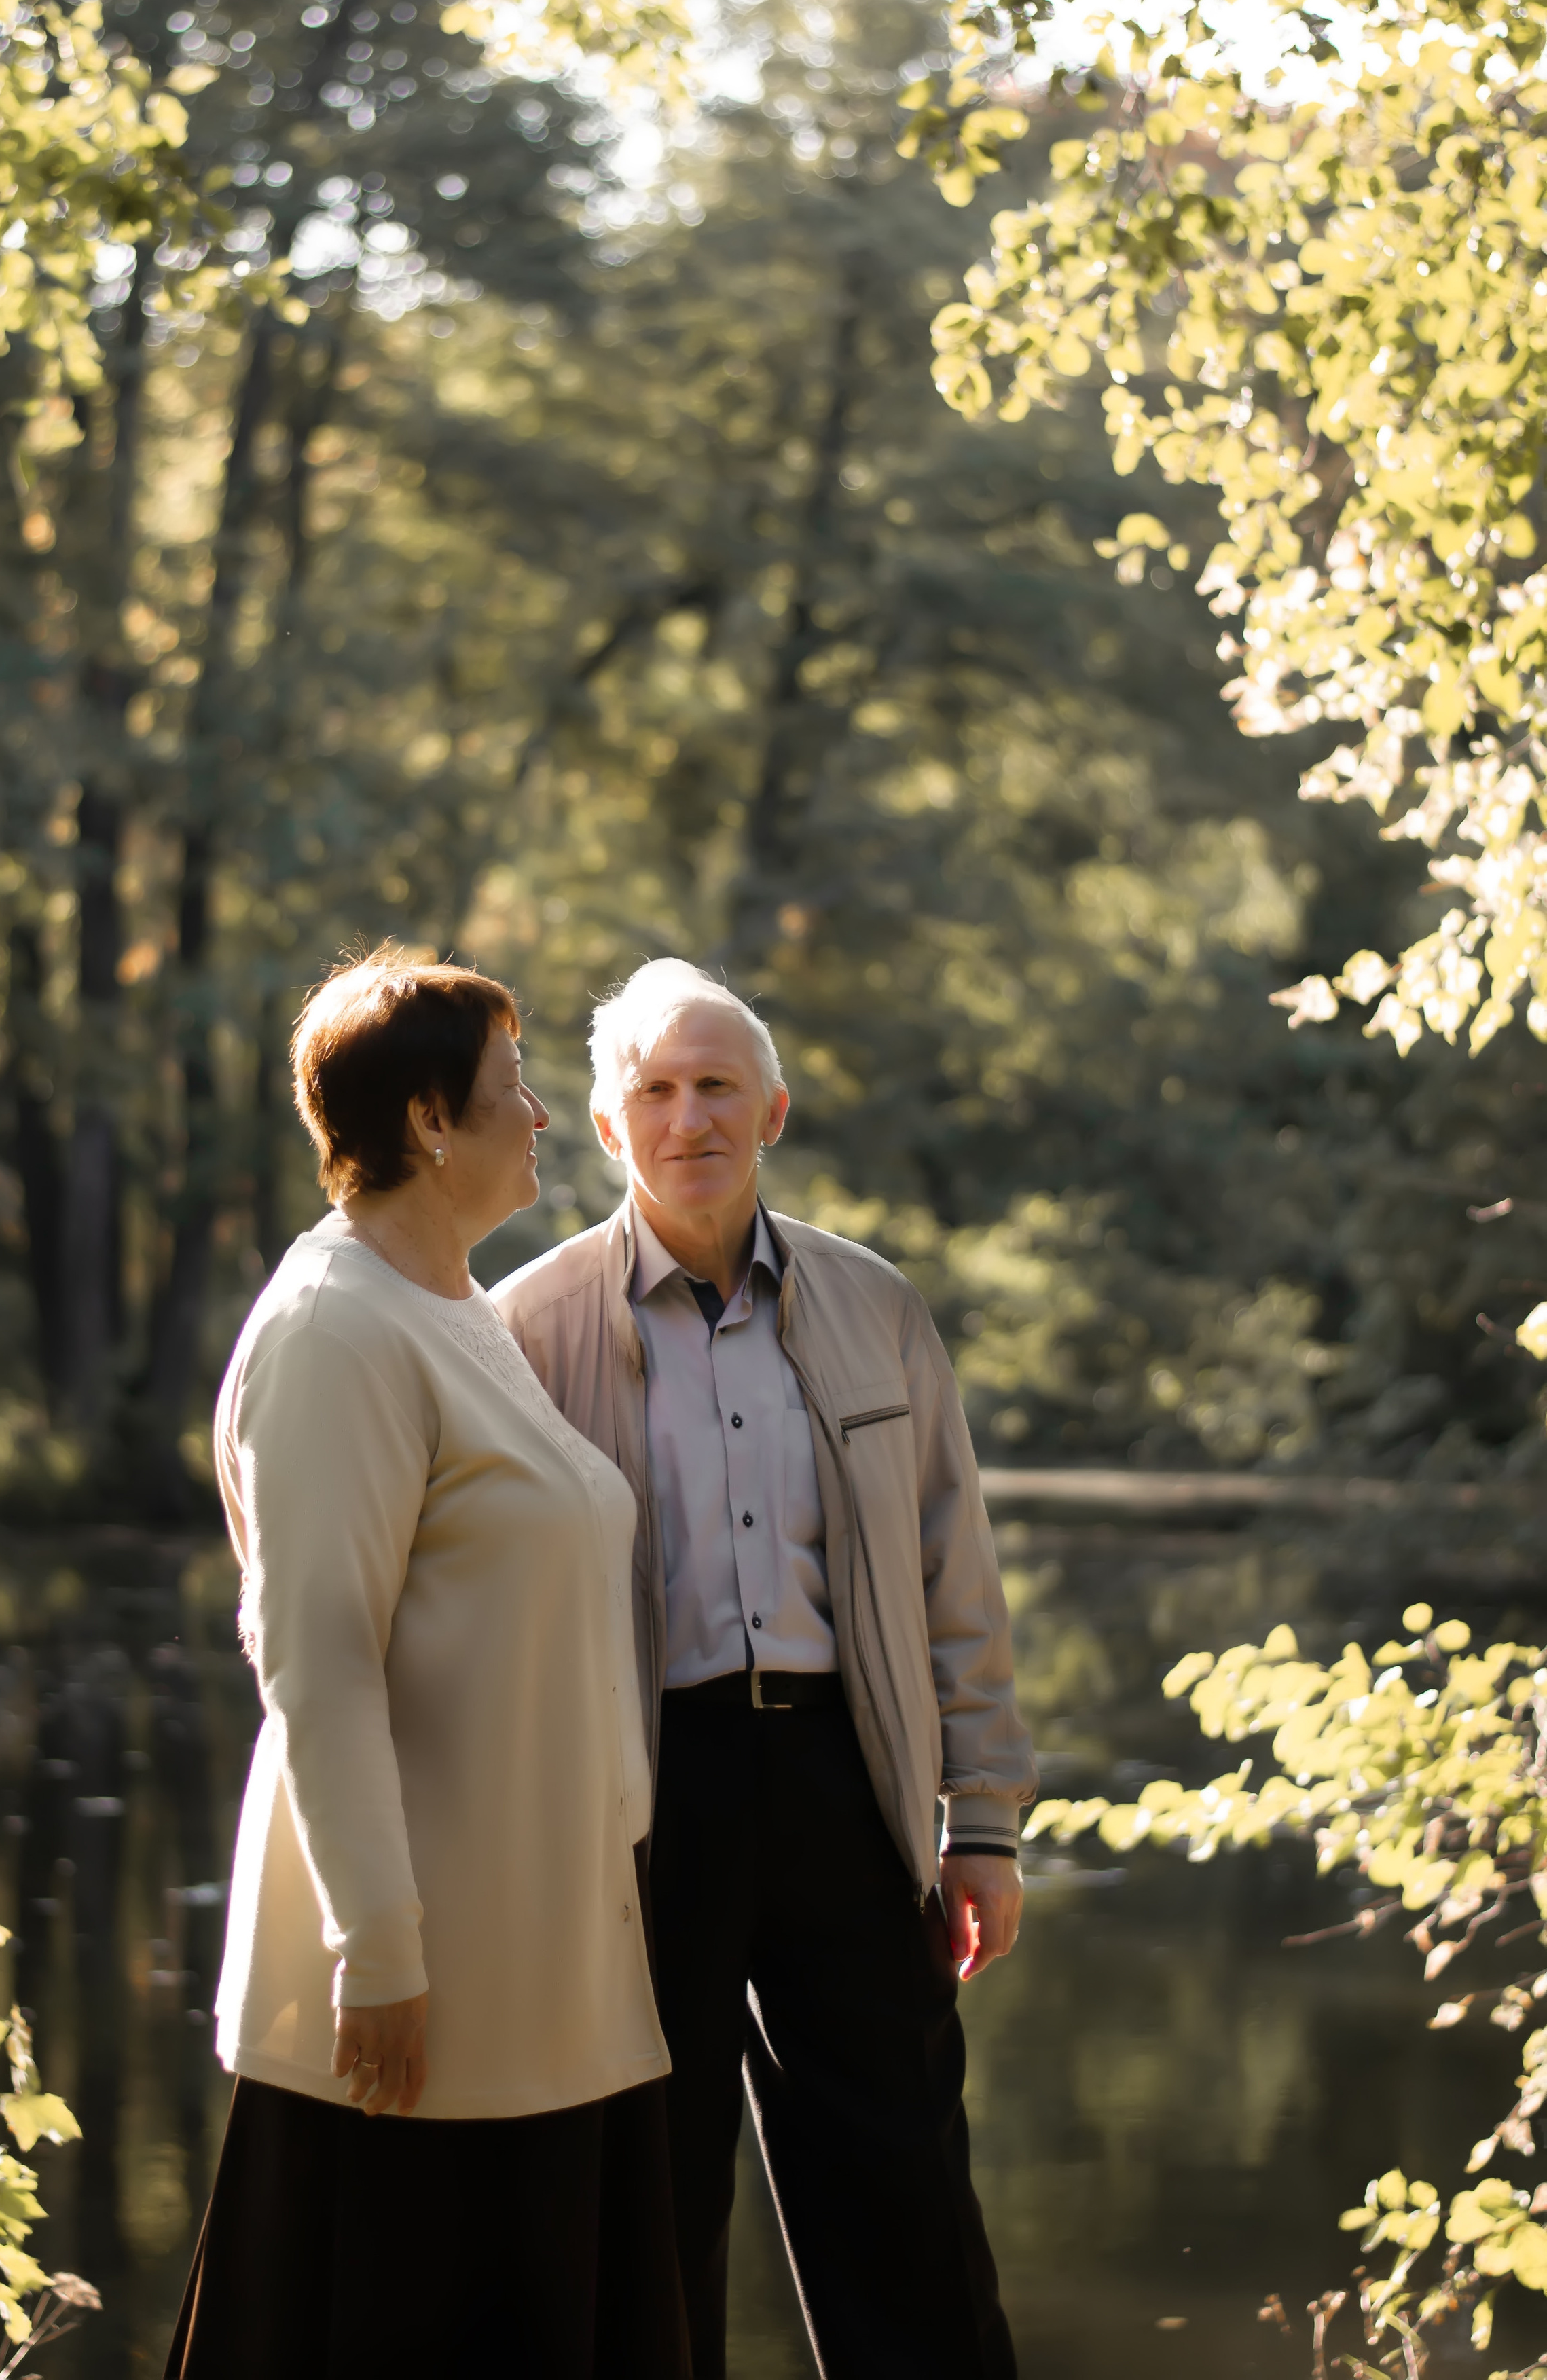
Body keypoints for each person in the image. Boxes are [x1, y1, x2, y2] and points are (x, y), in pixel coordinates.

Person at [493, 957, 1036, 2380]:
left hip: (841, 1782)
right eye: (654, 1092)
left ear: (773, 1108)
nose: (688, 1119)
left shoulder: (876, 1310)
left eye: (715, 1085)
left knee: (902, 2192)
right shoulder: (523, 1333)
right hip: (636, 1805)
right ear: (608, 1129)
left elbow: (951, 1580)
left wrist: (977, 1823)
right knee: (645, 2198)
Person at [166, 946, 689, 2380]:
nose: (540, 1118)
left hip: (549, 1966)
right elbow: (316, 1660)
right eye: (512, 1092)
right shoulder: (334, 1327)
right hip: (425, 1995)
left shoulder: (455, 1307)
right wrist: (377, 1950)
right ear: (424, 1125)